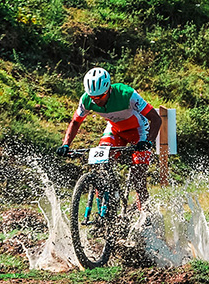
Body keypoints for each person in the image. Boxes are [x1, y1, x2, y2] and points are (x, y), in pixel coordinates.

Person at [55, 67, 162, 208]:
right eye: (93, 97)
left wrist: (148, 141)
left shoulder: (127, 94)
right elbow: (75, 122)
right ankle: (105, 211)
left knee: (138, 176)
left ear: (108, 90)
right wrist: (66, 144)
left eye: (99, 97)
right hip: (115, 129)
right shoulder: (87, 99)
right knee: (101, 164)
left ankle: (145, 213)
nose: (96, 101)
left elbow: (156, 119)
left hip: (138, 131)